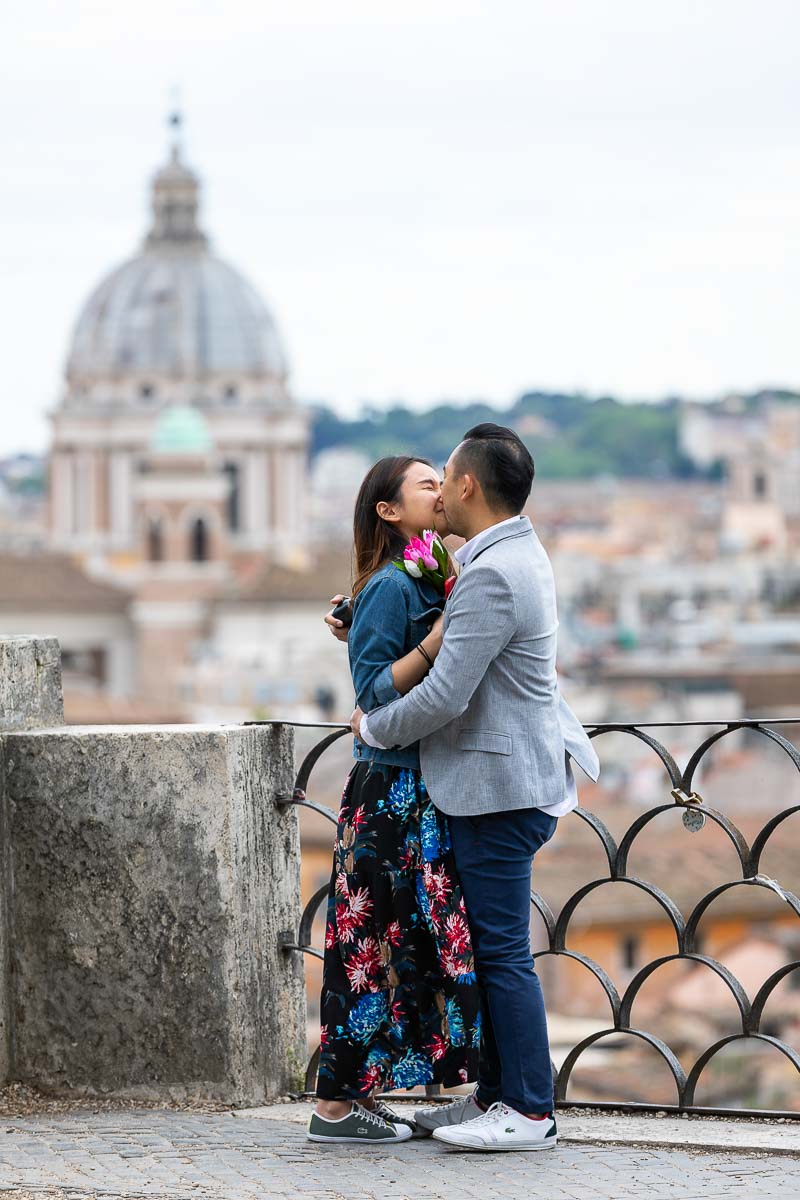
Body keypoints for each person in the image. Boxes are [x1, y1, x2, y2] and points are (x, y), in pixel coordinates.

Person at [344, 423, 600, 1153]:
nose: (438, 487)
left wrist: (373, 729)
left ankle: (527, 1109)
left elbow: (448, 693)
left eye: (444, 475)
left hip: (497, 789)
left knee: (500, 952)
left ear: (467, 487)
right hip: (499, 781)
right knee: (490, 949)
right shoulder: (507, 554)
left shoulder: (490, 572)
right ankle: (496, 1096)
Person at [308, 456, 481, 1146]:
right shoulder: (392, 584)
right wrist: (438, 640)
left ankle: (396, 1094)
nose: (442, 490)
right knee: (371, 941)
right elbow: (374, 692)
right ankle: (335, 1108)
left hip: (419, 789)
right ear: (387, 510)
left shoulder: (425, 573)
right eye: (426, 484)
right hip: (391, 793)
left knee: (417, 942)